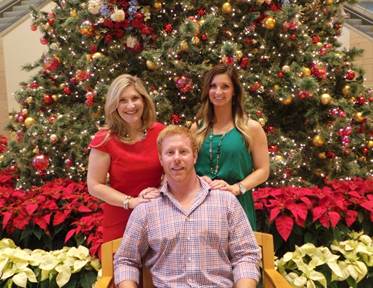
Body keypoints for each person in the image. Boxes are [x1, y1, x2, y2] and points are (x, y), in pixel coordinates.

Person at [114, 126, 261, 288]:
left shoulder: (225, 201)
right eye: (170, 153)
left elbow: (246, 255)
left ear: (195, 156)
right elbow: (125, 260)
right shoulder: (147, 209)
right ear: (161, 159)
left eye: (183, 152)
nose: (177, 158)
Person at [87, 74, 164, 243]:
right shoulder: (104, 139)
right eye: (122, 100)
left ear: (144, 100)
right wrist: (131, 202)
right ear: (114, 105)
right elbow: (94, 185)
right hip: (121, 220)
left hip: (158, 217)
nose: (130, 105)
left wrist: (162, 190)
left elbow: (174, 171)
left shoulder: (160, 132)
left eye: (135, 98)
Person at [191, 64, 270, 230]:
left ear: (234, 91)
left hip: (237, 203)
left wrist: (237, 188)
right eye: (213, 86)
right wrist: (198, 180)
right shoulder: (196, 129)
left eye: (225, 86)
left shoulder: (251, 128)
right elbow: (186, 168)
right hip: (200, 205)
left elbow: (263, 170)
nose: (218, 92)